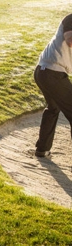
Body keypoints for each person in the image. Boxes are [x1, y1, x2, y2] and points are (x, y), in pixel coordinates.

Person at [34, 13, 72, 157]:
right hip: (52, 73)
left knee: (53, 108)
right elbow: (70, 39)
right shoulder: (71, 19)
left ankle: (42, 149)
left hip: (46, 72)